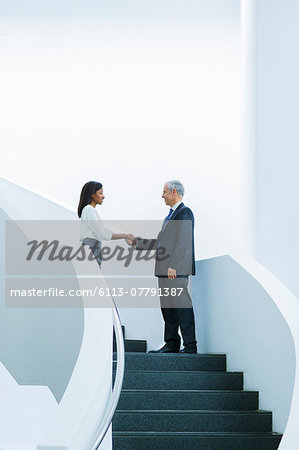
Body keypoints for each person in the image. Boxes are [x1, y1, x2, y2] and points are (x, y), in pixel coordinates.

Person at [131, 180, 197, 354]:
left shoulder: (184, 212)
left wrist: (174, 266)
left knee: (182, 307)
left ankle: (190, 346)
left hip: (175, 271)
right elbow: (161, 243)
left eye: (164, 192)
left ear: (173, 192)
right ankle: (172, 344)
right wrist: (137, 242)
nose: (162, 196)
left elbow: (184, 242)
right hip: (163, 271)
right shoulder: (169, 217)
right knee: (168, 309)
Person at [78, 181, 134, 267]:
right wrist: (124, 235)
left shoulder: (87, 210)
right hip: (91, 247)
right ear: (92, 194)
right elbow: (103, 234)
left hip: (90, 247)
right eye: (100, 193)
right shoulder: (89, 209)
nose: (103, 196)